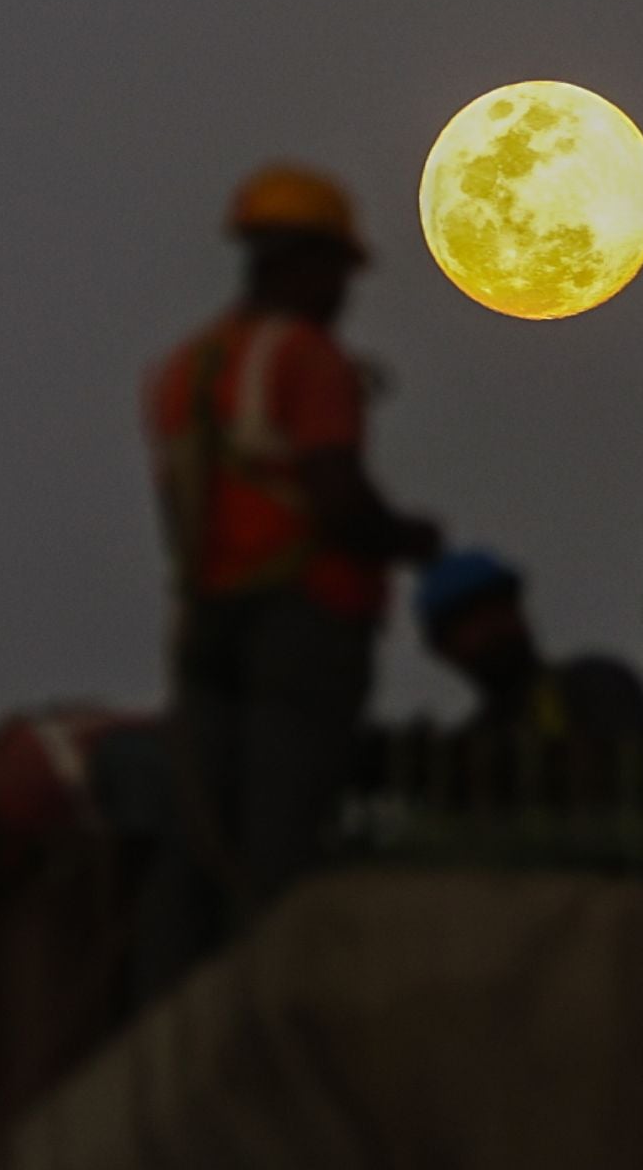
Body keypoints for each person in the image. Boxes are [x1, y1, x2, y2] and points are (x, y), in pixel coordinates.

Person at [141, 166, 442, 988]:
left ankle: (170, 1007)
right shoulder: (309, 361)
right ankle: (268, 1005)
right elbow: (336, 499)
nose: (344, 292)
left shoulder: (183, 371)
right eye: (338, 271)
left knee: (202, 832)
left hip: (207, 628)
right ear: (304, 264)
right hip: (302, 623)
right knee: (284, 836)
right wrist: (408, 539)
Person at [412, 549, 643, 810]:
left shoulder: (593, 684)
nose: (493, 627)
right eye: (472, 621)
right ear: (443, 649)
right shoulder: (472, 743)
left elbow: (635, 771)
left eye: (499, 608)